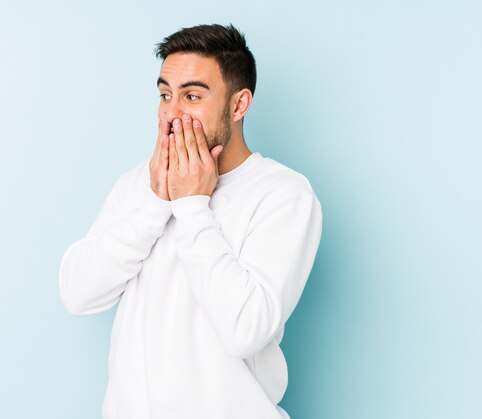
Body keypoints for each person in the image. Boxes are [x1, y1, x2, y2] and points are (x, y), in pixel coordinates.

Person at [59, 23, 323, 419]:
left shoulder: (283, 194)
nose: (172, 113)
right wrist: (155, 203)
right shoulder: (138, 184)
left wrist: (192, 205)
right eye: (165, 94)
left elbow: (245, 330)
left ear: (238, 105)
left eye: (192, 96)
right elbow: (77, 293)